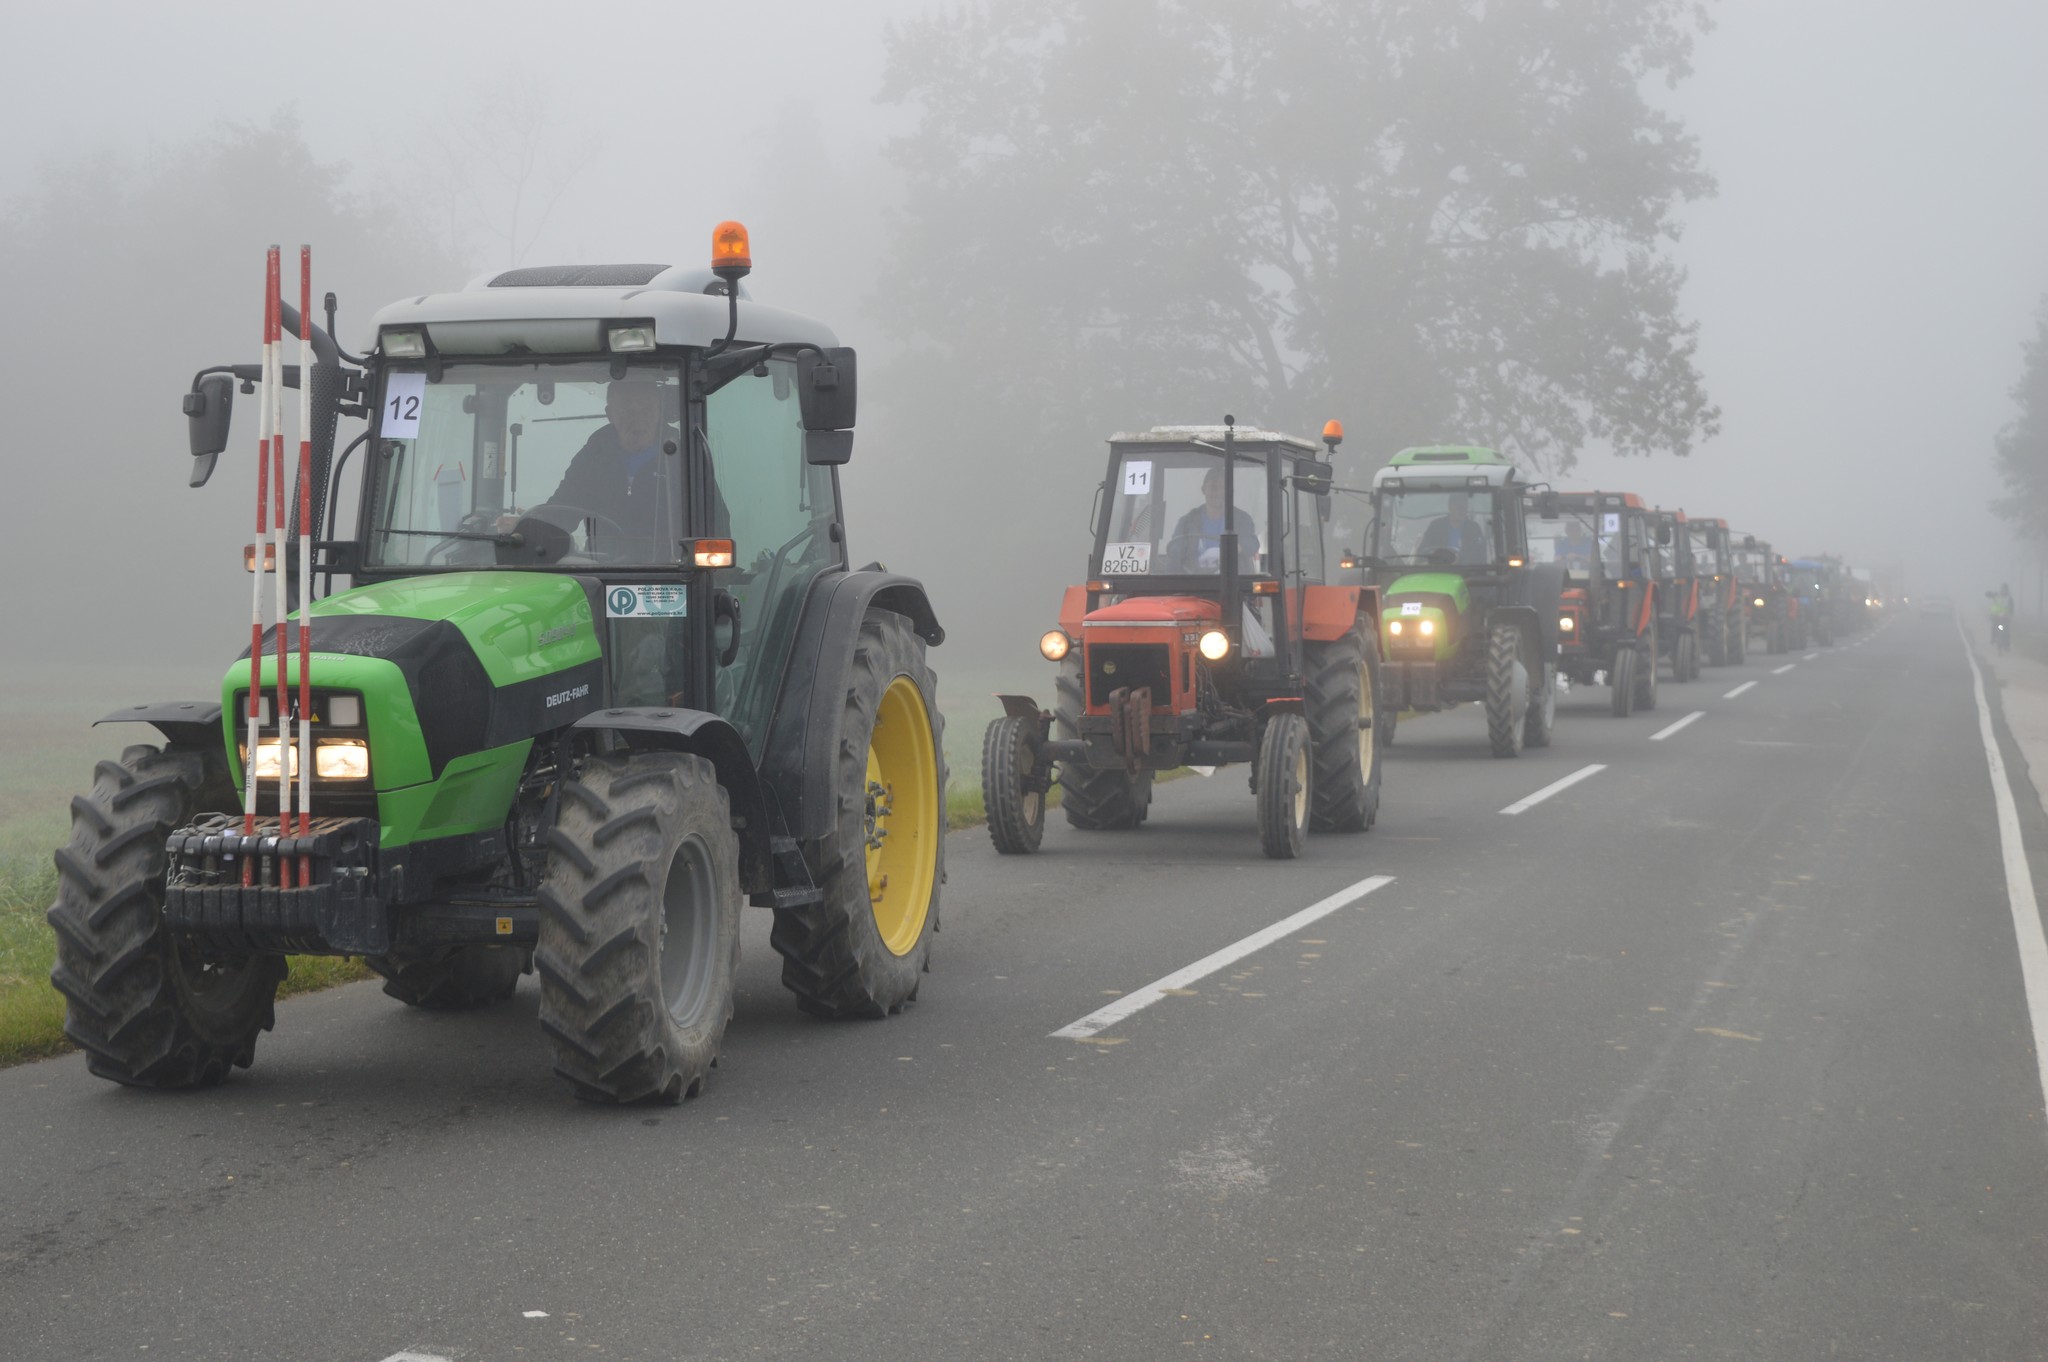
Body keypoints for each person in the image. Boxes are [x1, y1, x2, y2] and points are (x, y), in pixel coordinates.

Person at [1166, 465, 1259, 573]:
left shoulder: (1242, 519)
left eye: (1223, 488)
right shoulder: (1187, 521)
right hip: (1193, 582)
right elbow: (1175, 550)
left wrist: (1237, 547)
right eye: (1213, 487)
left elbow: (1252, 543)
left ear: (1229, 491)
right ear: (1203, 489)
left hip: (1232, 582)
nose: (1218, 493)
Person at [1418, 492, 1491, 565]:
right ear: (1450, 507)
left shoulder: (1474, 528)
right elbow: (1422, 550)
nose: (1463, 511)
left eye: (1465, 508)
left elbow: (1480, 555)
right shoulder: (1435, 526)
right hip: (1438, 569)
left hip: (1466, 571)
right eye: (1459, 508)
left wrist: (1460, 560)